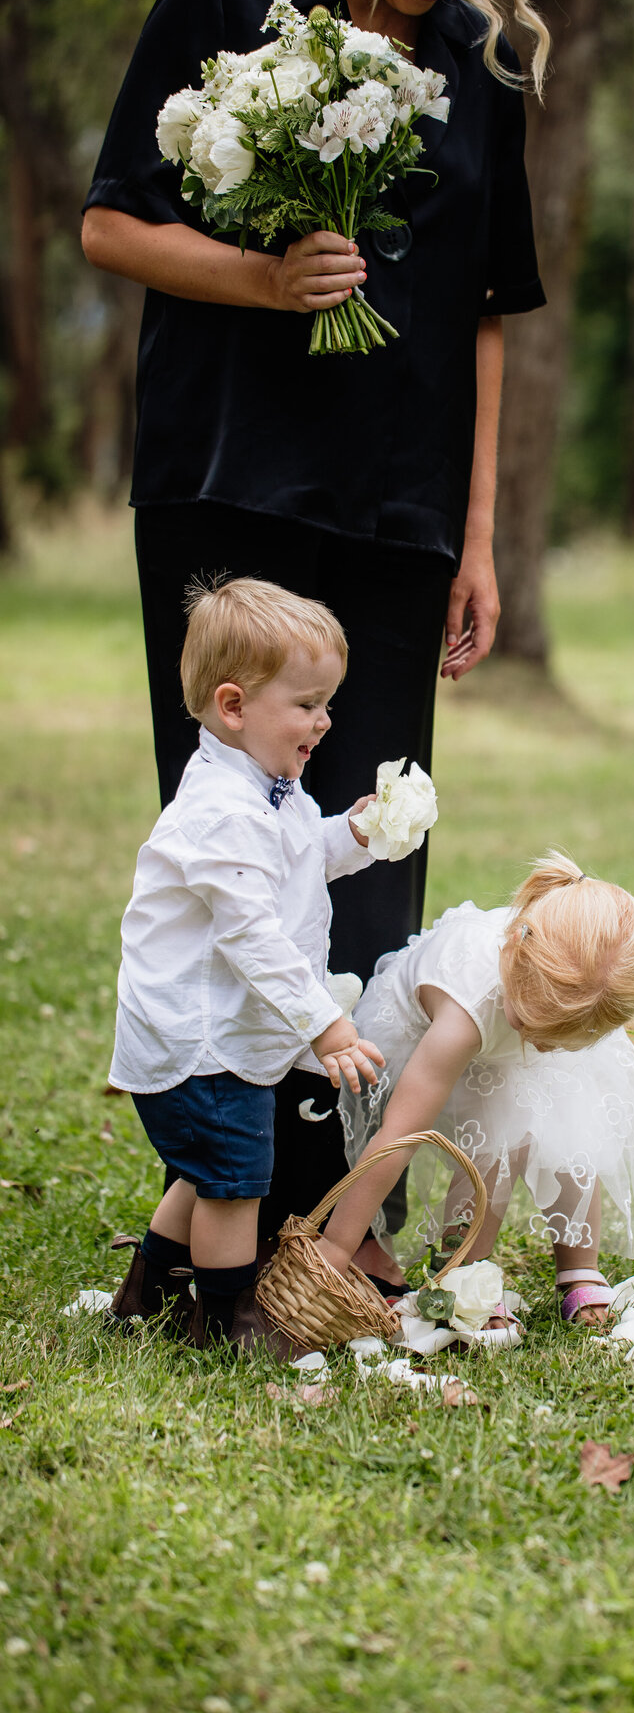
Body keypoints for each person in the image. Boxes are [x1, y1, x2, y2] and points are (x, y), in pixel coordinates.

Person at [80, 0, 550, 1230]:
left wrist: (478, 534)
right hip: (226, 482)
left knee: (375, 857)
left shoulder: (479, 58)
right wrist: (263, 279)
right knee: (237, 856)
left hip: (398, 512)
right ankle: (224, 1206)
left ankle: (343, 1221)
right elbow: (111, 227)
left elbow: (489, 309)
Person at [106, 578, 386, 1357]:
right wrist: (325, 1023)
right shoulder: (220, 811)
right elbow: (254, 933)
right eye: (306, 704)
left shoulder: (273, 790)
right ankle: (228, 1323)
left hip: (221, 1035)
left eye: (326, 702)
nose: (324, 721)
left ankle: (146, 1294)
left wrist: (353, 838)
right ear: (233, 706)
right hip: (197, 1039)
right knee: (236, 1180)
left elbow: (296, 861)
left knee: (204, 1167)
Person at [325, 855, 634, 1328]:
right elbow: (397, 1139)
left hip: (505, 1040)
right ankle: (463, 1275)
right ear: (515, 960)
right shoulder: (464, 1013)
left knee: (574, 1121)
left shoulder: (588, 968)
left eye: (561, 1037)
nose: (543, 1044)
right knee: (498, 1145)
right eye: (535, 1027)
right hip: (429, 1044)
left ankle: (579, 1267)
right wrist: (335, 1247)